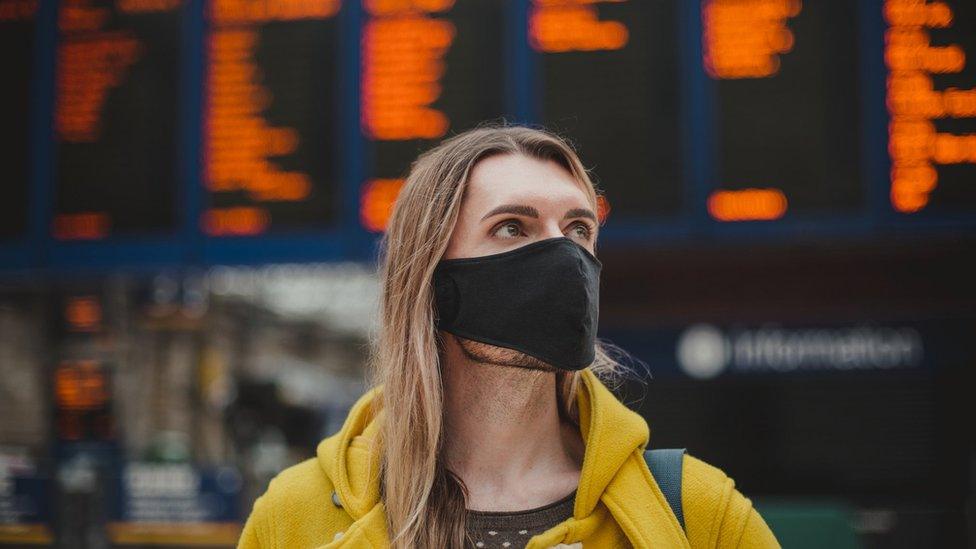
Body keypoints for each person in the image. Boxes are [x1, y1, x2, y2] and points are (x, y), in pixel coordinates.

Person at [237, 125, 780, 548]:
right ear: (430, 275)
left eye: (578, 229)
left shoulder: (698, 511)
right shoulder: (295, 514)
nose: (564, 256)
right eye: (513, 227)